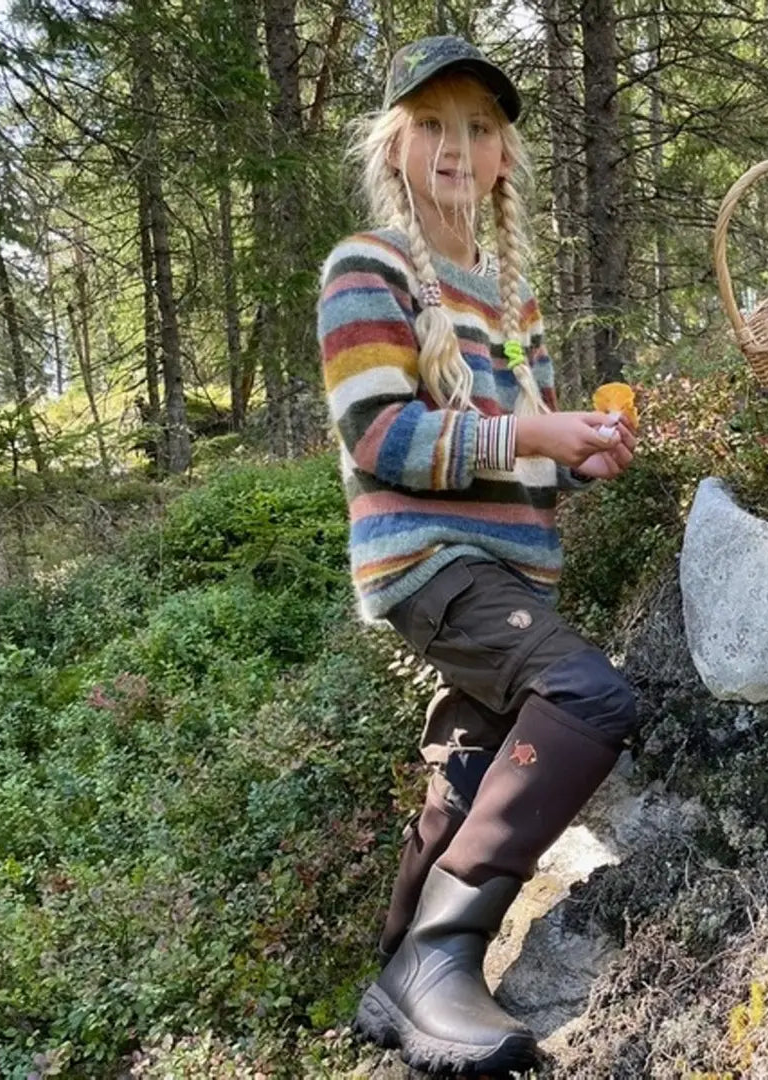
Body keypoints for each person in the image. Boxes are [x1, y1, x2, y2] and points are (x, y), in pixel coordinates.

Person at [316, 34, 639, 1076]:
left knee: (472, 767)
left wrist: (579, 457)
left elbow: (524, 458)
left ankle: (390, 987)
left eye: (481, 129)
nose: (459, 147)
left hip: (509, 569)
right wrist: (535, 437)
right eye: (435, 127)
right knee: (592, 697)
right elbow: (379, 437)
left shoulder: (512, 301)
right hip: (429, 563)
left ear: (505, 156)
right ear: (396, 145)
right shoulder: (364, 269)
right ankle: (444, 955)